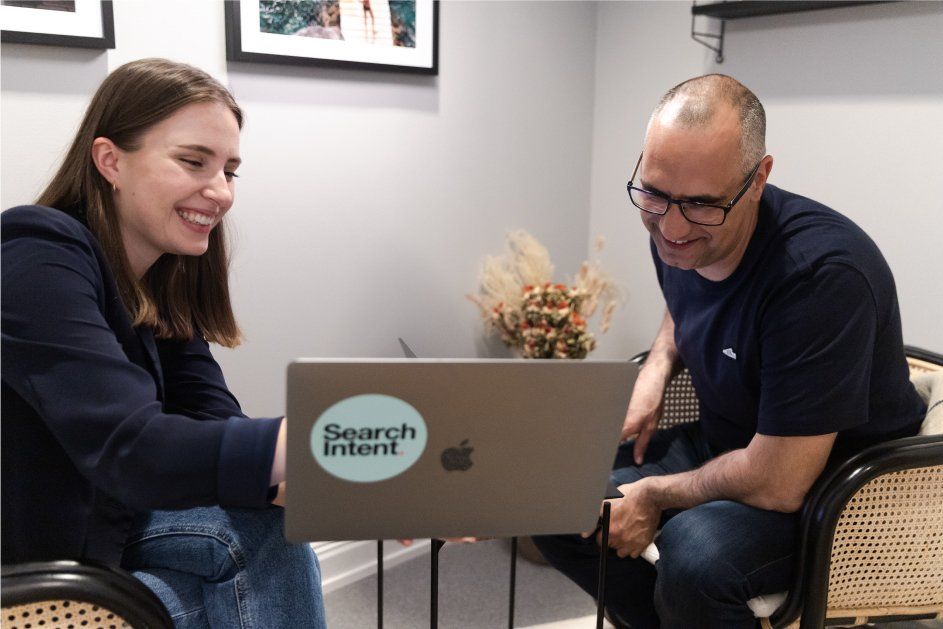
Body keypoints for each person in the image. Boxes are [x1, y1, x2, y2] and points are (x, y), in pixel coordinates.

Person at [533, 74, 926, 629]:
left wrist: (653, 497)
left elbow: (779, 482)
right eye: (653, 193)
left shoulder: (819, 278)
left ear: (759, 178)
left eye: (700, 204)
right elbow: (686, 288)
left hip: (842, 489)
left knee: (697, 558)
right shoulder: (682, 230)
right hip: (729, 444)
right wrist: (657, 367)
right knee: (556, 501)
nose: (669, 227)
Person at [1, 58, 326, 628]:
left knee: (268, 531)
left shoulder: (158, 277)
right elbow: (134, 448)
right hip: (32, 565)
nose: (220, 191)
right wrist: (338, 447)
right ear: (110, 160)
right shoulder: (34, 253)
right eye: (193, 161)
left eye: (230, 170)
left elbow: (208, 418)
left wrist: (348, 491)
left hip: (110, 527)